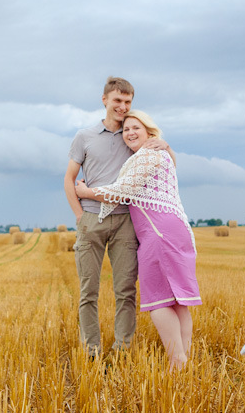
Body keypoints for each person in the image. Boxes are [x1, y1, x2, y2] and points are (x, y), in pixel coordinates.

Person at [73, 110, 200, 370]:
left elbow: (122, 190)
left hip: (158, 232)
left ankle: (177, 362)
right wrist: (168, 147)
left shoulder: (148, 155)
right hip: (173, 228)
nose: (130, 133)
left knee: (159, 300)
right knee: (178, 300)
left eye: (136, 128)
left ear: (149, 132)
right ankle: (184, 361)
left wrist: (87, 192)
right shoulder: (158, 154)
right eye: (127, 129)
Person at [64, 77, 170, 359]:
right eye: (117, 101)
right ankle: (92, 350)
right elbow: (69, 179)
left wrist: (165, 146)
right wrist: (80, 217)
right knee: (89, 291)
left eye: (127, 102)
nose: (122, 107)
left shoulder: (133, 136)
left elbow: (164, 163)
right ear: (105, 100)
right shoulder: (84, 137)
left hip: (125, 222)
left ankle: (122, 349)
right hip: (91, 219)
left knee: (125, 290)